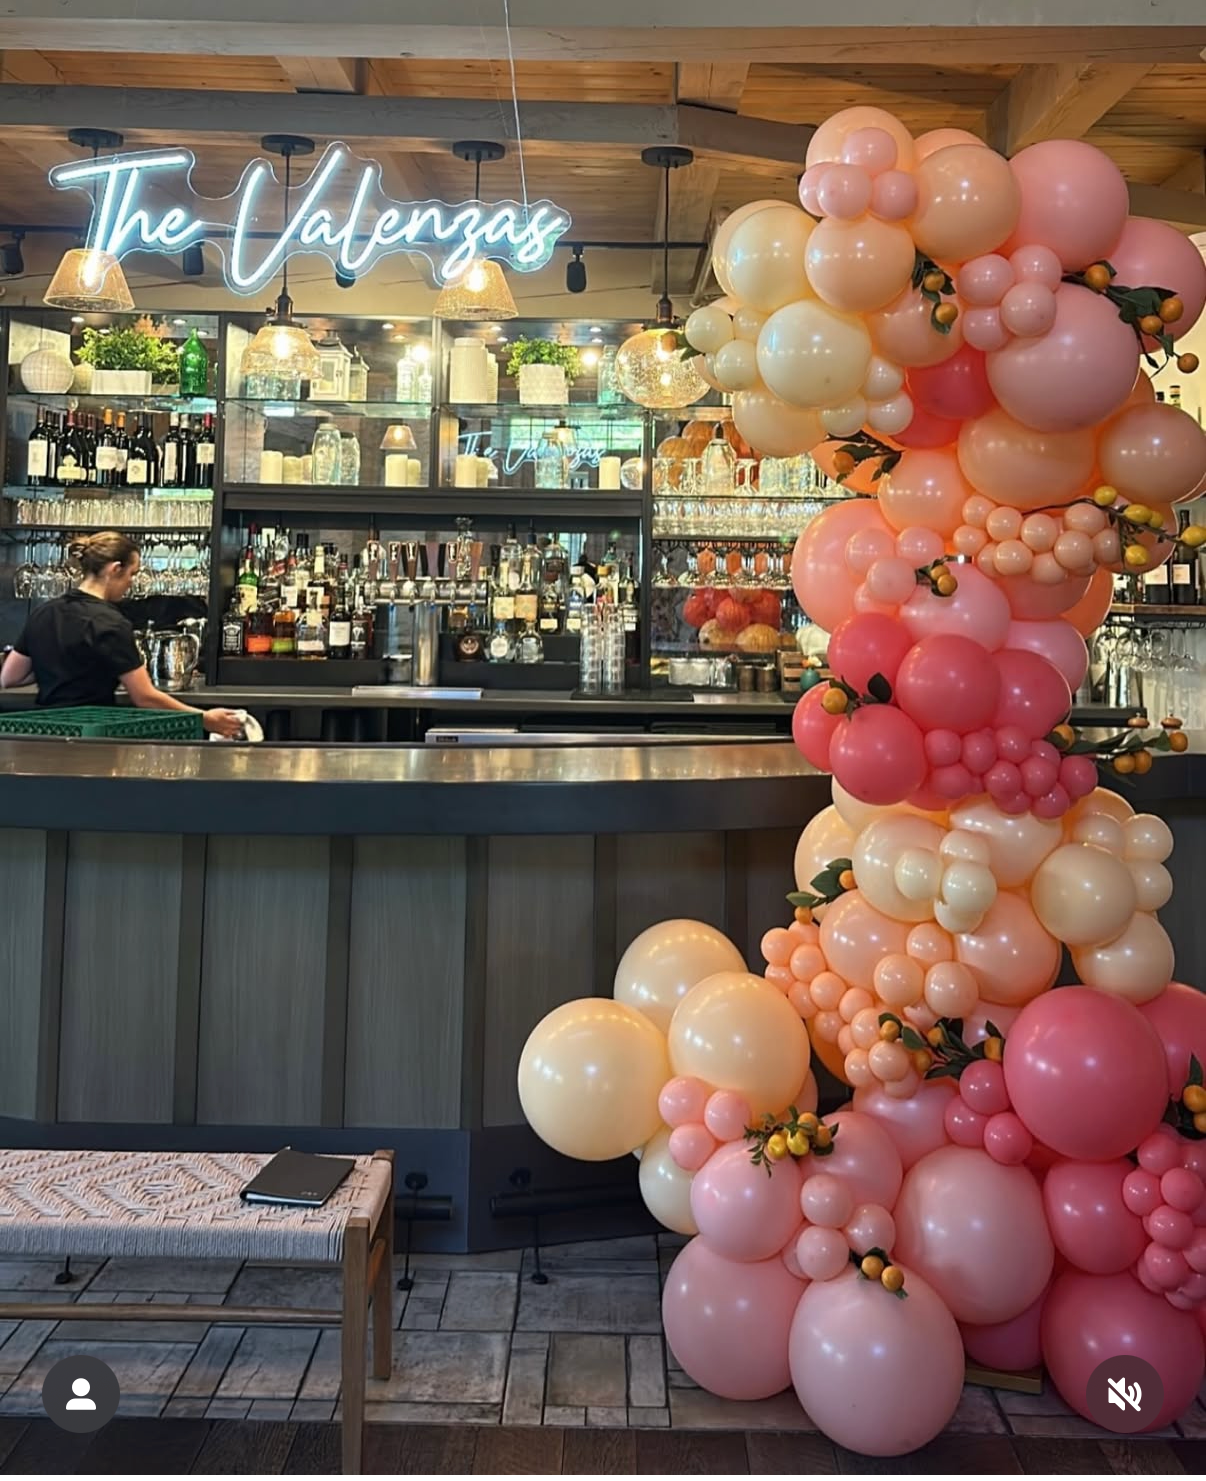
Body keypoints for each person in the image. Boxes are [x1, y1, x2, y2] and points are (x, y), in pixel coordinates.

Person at [0, 532, 242, 737]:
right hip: (92, 736)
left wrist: (54, 666)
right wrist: (207, 719)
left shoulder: (45, 611)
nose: (131, 583)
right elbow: (145, 697)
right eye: (132, 574)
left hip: (44, 735)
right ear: (115, 569)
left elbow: (10, 677)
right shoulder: (111, 623)